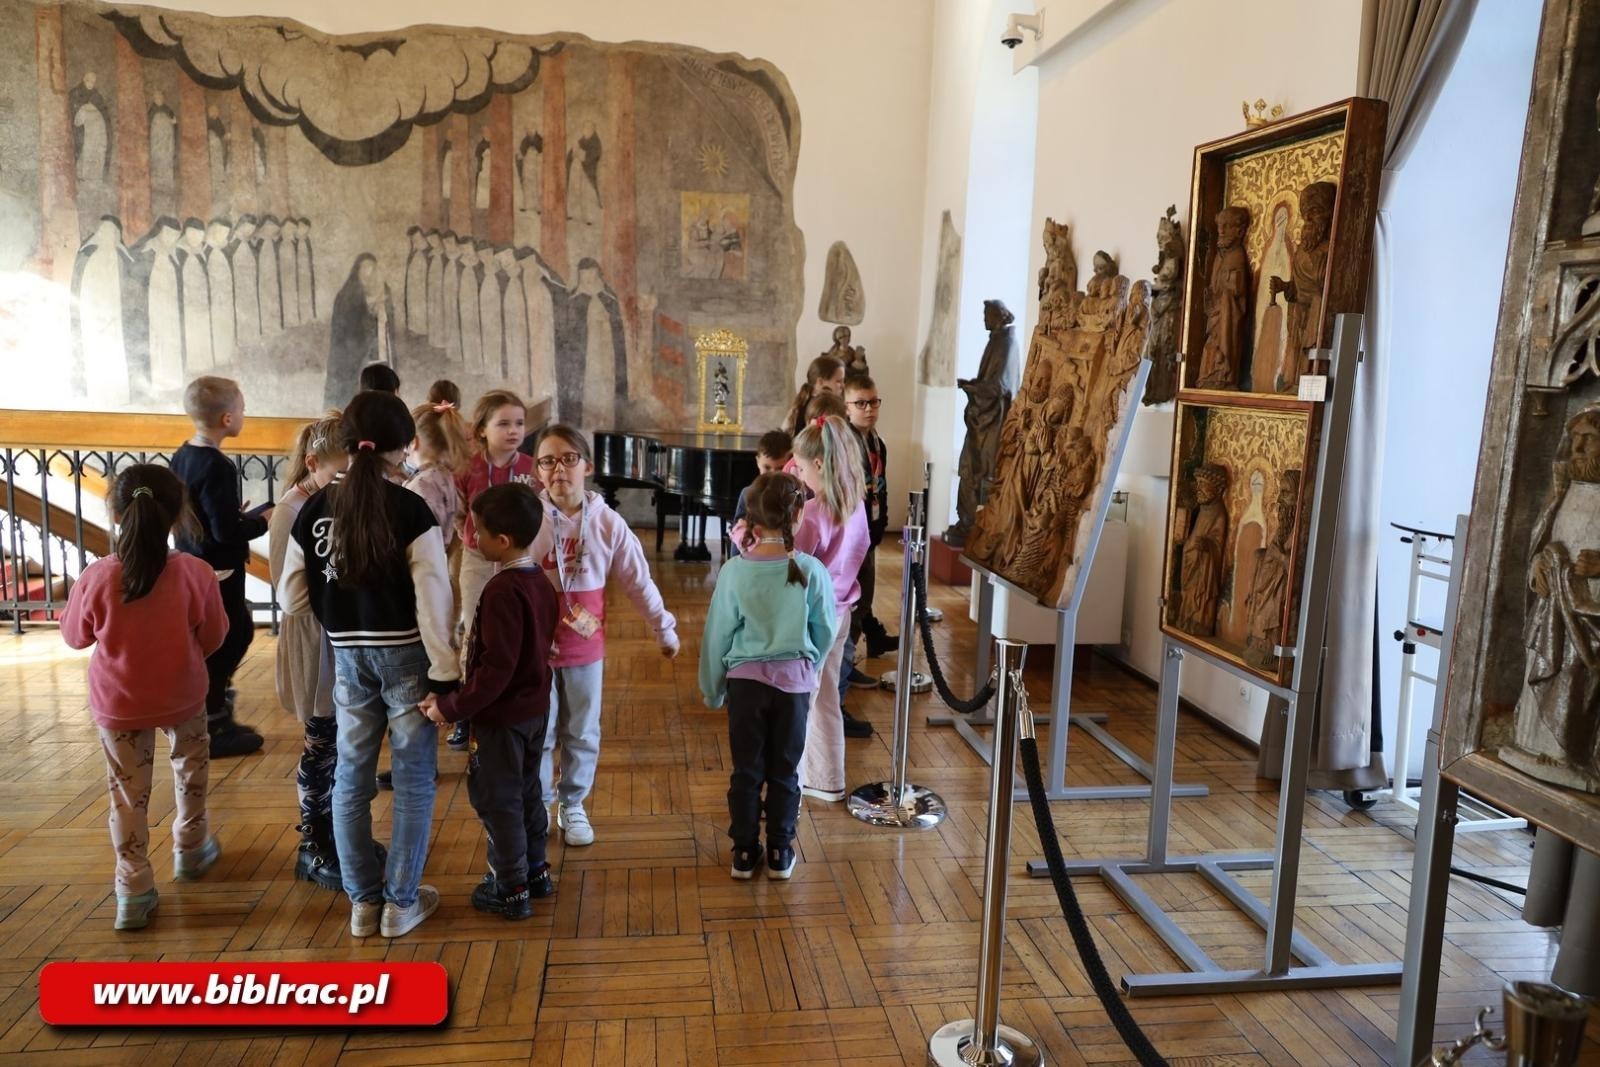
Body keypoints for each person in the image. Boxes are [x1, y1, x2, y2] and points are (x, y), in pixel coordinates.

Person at [277, 391, 459, 939]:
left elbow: (291, 598)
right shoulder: (410, 508)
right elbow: (433, 599)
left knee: (350, 779)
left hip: (348, 658)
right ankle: (401, 903)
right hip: (407, 658)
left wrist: (340, 605)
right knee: (413, 779)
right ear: (405, 446)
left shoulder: (313, 509)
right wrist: (445, 674)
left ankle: (362, 903)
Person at [61, 464, 227, 930]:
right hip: (182, 693)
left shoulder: (97, 575)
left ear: (117, 515)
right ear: (177, 516)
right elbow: (214, 636)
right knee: (191, 770)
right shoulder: (195, 572)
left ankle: (132, 889)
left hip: (119, 703)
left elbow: (75, 636)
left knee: (126, 794)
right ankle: (190, 848)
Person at [528, 425, 679, 847]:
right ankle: (539, 804)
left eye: (568, 459)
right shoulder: (529, 518)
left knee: (582, 731)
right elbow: (504, 578)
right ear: (537, 471)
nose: (559, 469)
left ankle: (573, 802)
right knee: (541, 731)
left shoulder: (607, 522)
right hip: (536, 650)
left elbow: (638, 580)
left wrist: (663, 626)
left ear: (587, 466)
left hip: (584, 649)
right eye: (548, 461)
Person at [421, 484, 559, 918]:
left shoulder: (502, 590)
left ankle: (510, 887)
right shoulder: (541, 583)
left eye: (477, 531)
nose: (472, 537)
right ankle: (535, 871)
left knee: (498, 800)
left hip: (501, 720)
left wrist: (450, 707)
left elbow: (495, 671)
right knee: (527, 791)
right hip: (535, 710)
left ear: (502, 540)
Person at [700, 473, 837, 880]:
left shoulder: (734, 571)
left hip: (745, 687)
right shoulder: (809, 570)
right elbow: (825, 630)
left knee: (746, 771)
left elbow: (717, 635)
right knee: (785, 771)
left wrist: (712, 689)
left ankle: (744, 852)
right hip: (794, 688)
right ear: (798, 514)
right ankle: (779, 851)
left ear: (751, 519)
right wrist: (810, 665)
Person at [268, 411, 374, 891]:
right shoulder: (292, 510)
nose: (347, 484)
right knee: (321, 744)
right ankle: (312, 845)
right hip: (315, 642)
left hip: (343, 635)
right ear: (313, 463)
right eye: (339, 474)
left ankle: (340, 836)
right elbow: (287, 592)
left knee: (343, 745)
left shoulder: (335, 500)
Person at [170, 376, 268, 758]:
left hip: (193, 561)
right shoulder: (218, 466)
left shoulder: (184, 455)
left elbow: (198, 512)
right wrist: (262, 521)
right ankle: (212, 717)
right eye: (242, 409)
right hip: (218, 569)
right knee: (230, 636)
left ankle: (213, 704)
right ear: (227, 419)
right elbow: (226, 533)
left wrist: (235, 516)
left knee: (228, 634)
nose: (244, 414)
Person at [791, 415, 870, 802]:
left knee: (802, 699)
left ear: (819, 464)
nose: (798, 474)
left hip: (813, 617)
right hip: (842, 612)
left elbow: (795, 568)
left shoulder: (812, 514)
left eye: (801, 467)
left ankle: (795, 778)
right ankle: (828, 779)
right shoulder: (856, 506)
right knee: (827, 700)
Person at [455, 390, 539, 720]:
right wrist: (472, 537)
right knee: (475, 630)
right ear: (482, 430)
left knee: (514, 631)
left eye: (519, 423)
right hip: (477, 559)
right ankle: (468, 707)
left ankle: (514, 697)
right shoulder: (468, 468)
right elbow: (459, 511)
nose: (513, 430)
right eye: (503, 424)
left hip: (519, 563)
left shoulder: (532, 469)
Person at [844, 375, 895, 659]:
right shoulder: (845, 444)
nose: (869, 409)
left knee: (865, 598)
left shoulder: (877, 443)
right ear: (847, 407)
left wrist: (881, 523)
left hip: (871, 531)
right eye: (861, 403)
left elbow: (881, 486)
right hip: (850, 533)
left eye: (874, 402)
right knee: (852, 602)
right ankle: (845, 666)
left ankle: (851, 658)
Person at [728, 429, 792, 557]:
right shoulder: (747, 494)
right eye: (767, 467)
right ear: (758, 462)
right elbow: (738, 531)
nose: (772, 475)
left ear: (790, 463)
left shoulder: (795, 496)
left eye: (780, 468)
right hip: (753, 557)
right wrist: (734, 562)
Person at [784, 355, 845, 437]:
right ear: (820, 381)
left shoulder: (805, 401)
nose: (843, 385)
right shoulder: (820, 407)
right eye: (839, 381)